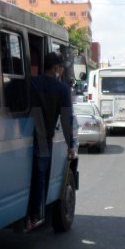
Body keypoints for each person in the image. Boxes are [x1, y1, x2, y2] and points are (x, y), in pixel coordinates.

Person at [28, 51, 76, 230]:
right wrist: (70, 146)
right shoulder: (62, 89)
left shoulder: (33, 83)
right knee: (40, 176)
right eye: (60, 68)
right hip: (43, 136)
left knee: (30, 177)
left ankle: (31, 215)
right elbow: (66, 120)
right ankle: (36, 215)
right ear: (56, 68)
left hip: (25, 133)